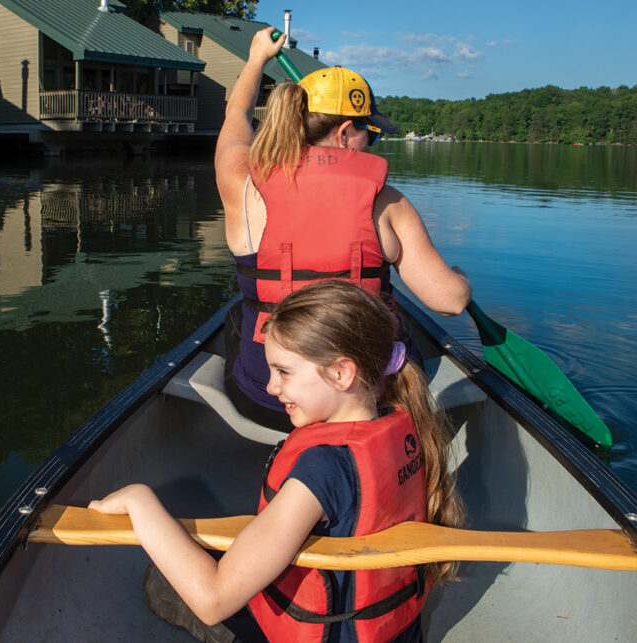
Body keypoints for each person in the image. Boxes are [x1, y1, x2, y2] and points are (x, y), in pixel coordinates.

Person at [89, 280, 463, 643]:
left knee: (165, 578)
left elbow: (213, 599)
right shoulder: (400, 425)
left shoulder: (323, 470)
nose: (271, 386)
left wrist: (139, 501)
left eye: (284, 371)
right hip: (394, 632)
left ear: (341, 372)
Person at [216, 27, 472, 431]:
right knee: (392, 313)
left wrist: (255, 59)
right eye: (369, 132)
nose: (371, 142)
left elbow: (236, 117)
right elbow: (449, 301)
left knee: (237, 317)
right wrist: (460, 278)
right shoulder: (387, 203)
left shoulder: (242, 182)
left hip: (269, 400)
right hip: (369, 401)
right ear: (346, 132)